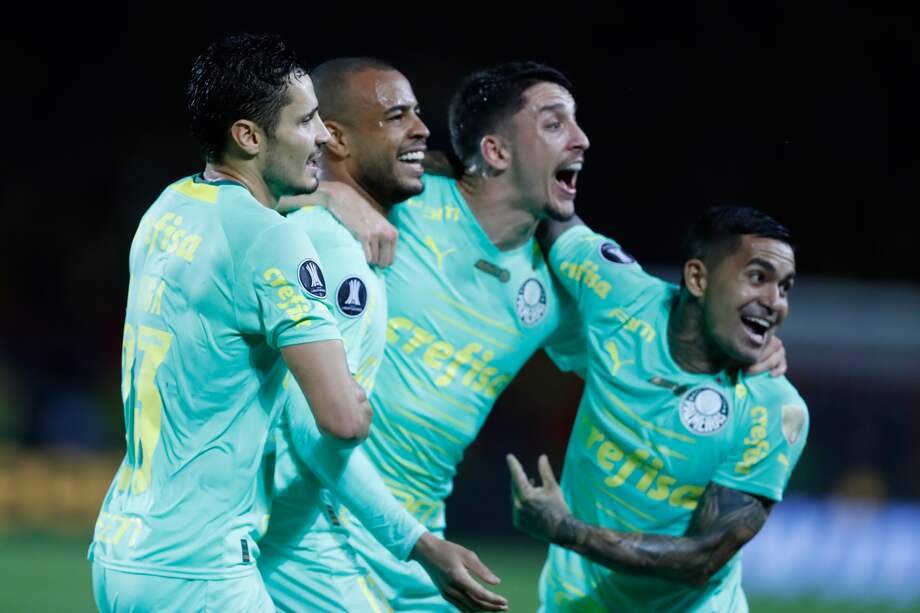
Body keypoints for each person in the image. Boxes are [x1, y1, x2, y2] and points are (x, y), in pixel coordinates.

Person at [309, 61, 786, 611]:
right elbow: (243, 199)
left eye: (576, 123)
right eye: (554, 124)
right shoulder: (402, 201)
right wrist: (328, 196)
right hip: (322, 513)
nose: (582, 139)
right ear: (495, 152)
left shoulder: (557, 290)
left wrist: (743, 345)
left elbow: (653, 350)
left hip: (420, 539)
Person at [88, 34, 371, 612]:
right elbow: (341, 420)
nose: (323, 136)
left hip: (122, 549)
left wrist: (333, 200)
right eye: (308, 120)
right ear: (249, 136)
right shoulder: (275, 242)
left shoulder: (167, 208)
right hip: (199, 570)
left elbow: (246, 225)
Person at [258, 57, 506, 613]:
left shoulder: (305, 227)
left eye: (418, 112)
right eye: (396, 116)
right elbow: (313, 427)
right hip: (288, 542)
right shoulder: (338, 254)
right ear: (336, 138)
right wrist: (419, 544)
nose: (420, 128)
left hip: (275, 534)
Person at [507, 207, 809, 612]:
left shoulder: (773, 409)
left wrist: (566, 530)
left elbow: (701, 559)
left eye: (785, 288)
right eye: (758, 277)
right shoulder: (620, 296)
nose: (775, 302)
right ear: (698, 278)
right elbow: (542, 204)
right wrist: (398, 194)